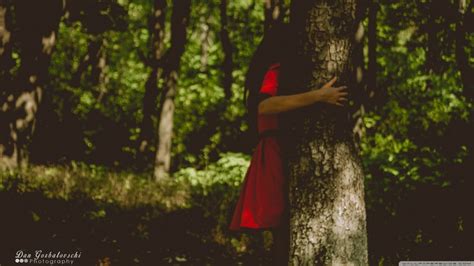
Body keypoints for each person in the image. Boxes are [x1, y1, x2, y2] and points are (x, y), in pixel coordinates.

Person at [228, 23, 348, 264]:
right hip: (273, 154)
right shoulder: (276, 68)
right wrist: (319, 96)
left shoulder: (279, 69)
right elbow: (265, 105)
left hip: (275, 151)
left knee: (285, 233)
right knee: (283, 231)